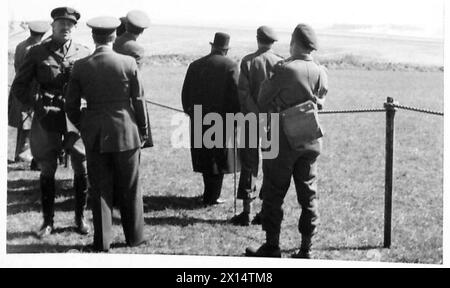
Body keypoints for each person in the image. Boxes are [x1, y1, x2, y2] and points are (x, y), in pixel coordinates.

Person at [65, 16, 149, 252]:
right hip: (126, 131)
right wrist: (142, 130)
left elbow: (70, 106)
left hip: (95, 133)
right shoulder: (129, 63)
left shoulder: (80, 66)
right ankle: (135, 237)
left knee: (100, 188)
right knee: (131, 186)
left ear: (93, 37)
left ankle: (102, 241)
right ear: (114, 37)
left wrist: (86, 124)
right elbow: (139, 101)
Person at [245, 24, 328, 258]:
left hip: (281, 140)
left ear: (294, 42)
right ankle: (306, 248)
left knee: (273, 192)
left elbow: (262, 98)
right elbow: (321, 100)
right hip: (310, 139)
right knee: (308, 194)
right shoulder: (321, 71)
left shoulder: (285, 69)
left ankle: (271, 246)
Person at [10, 7, 91, 238]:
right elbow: (19, 86)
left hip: (74, 118)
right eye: (61, 23)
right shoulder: (37, 52)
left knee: (81, 165)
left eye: (70, 24)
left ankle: (80, 218)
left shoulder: (83, 52)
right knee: (47, 168)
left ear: (75, 27)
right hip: (47, 117)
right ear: (52, 26)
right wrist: (37, 104)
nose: (66, 28)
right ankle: (48, 221)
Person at [230, 26, 283, 226]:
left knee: (249, 164)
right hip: (273, 120)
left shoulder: (248, 61)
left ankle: (246, 212)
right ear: (273, 42)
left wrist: (255, 113)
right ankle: (265, 211)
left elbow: (243, 93)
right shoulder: (280, 62)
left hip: (251, 120)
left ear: (257, 39)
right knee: (271, 166)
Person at [181, 32, 241, 206]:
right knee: (219, 158)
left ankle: (210, 194)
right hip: (222, 120)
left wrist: (190, 112)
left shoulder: (195, 65)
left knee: (206, 157)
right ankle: (212, 196)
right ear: (226, 50)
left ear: (213, 46)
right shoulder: (231, 66)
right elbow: (236, 95)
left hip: (199, 117)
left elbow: (186, 93)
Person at [9, 21, 50, 169]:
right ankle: (24, 155)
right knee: (29, 122)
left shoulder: (20, 45)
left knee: (24, 122)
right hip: (30, 88)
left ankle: (21, 154)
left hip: (19, 87)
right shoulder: (35, 49)